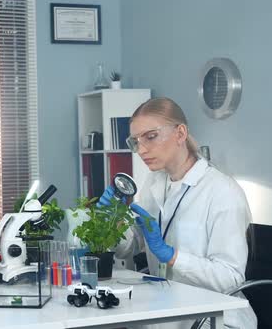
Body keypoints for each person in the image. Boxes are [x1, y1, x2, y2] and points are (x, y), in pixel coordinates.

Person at [99, 97, 257, 329]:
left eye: (151, 136)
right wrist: (112, 221)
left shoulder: (222, 191)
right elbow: (129, 248)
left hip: (214, 317)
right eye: (135, 141)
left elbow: (230, 278)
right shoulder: (154, 182)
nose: (141, 150)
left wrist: (172, 255)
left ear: (180, 133)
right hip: (169, 308)